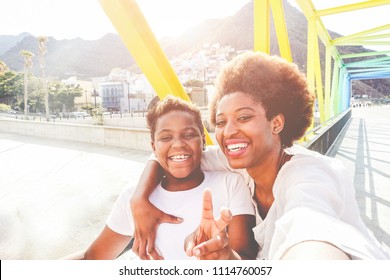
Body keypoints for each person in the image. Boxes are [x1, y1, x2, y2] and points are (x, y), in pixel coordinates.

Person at [130, 51, 390, 260]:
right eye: (221, 122)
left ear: (276, 123)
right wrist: (139, 198)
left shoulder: (310, 174)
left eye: (244, 117)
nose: (229, 132)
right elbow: (180, 156)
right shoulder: (240, 162)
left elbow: (310, 227)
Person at [63, 95, 257, 260]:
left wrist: (223, 255)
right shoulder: (132, 198)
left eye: (189, 135)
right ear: (153, 147)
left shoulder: (230, 183)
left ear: (203, 141)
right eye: (165, 138)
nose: (178, 144)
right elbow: (93, 258)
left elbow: (246, 256)